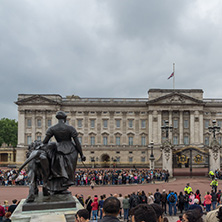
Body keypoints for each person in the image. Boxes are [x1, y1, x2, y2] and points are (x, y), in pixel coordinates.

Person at [42, 110, 86, 193]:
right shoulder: (70, 128)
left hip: (58, 149)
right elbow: (77, 143)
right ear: (65, 119)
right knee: (69, 169)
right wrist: (81, 154)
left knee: (58, 169)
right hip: (71, 150)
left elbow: (45, 142)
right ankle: (63, 187)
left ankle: (56, 188)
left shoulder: (52, 128)